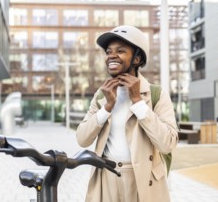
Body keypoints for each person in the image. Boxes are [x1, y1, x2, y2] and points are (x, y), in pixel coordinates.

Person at [76, 25, 179, 202]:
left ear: (137, 58)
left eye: (121, 51)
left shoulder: (156, 95)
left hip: (143, 179)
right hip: (106, 177)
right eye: (108, 52)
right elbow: (82, 139)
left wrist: (138, 101)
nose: (111, 56)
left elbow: (167, 143)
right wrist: (107, 107)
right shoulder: (102, 95)